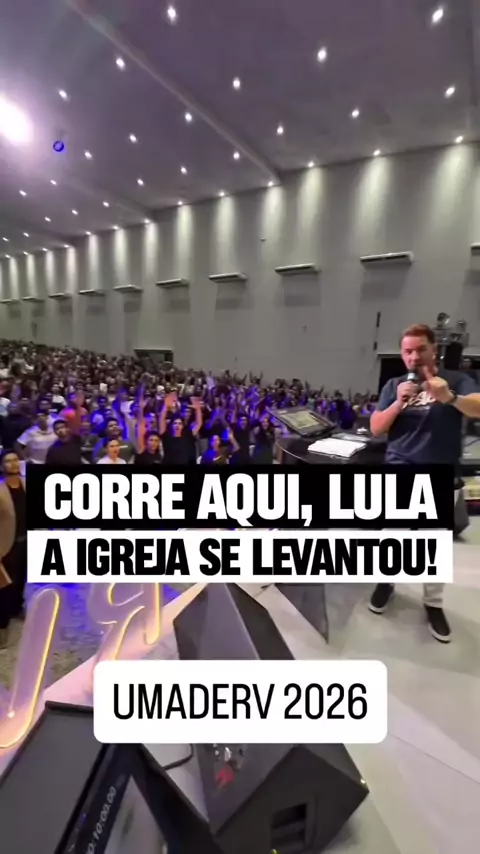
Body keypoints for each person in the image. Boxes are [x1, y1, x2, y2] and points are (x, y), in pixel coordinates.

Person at [369, 323, 480, 642]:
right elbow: (376, 427)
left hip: (439, 472)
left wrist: (450, 397)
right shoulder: (394, 385)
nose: (414, 357)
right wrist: (398, 403)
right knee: (393, 537)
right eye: (408, 351)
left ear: (434, 350)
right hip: (400, 469)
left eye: (420, 349)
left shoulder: (455, 379)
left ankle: (433, 603)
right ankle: (386, 582)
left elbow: (477, 407)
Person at [0, 452, 26, 647]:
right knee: (5, 587)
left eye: (15, 460)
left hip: (27, 542)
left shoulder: (26, 485)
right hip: (7, 545)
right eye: (8, 461)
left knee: (21, 580)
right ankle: (2, 624)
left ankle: (17, 608)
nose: (13, 463)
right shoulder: (1, 491)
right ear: (2, 466)